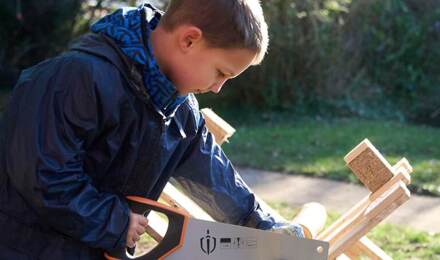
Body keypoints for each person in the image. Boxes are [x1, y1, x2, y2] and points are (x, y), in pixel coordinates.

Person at [0, 1, 304, 259]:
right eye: (221, 72)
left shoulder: (180, 109)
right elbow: (43, 174)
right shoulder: (75, 78)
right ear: (189, 40)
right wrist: (114, 222)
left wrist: (264, 227)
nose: (217, 88)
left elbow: (215, 178)